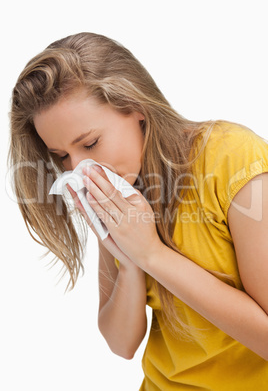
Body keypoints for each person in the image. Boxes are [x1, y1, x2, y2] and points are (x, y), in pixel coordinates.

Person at [9, 32, 268, 390]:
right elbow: (121, 344)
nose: (80, 170)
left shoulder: (231, 157)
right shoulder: (117, 191)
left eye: (90, 143)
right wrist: (129, 261)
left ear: (137, 108)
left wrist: (151, 253)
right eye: (63, 156)